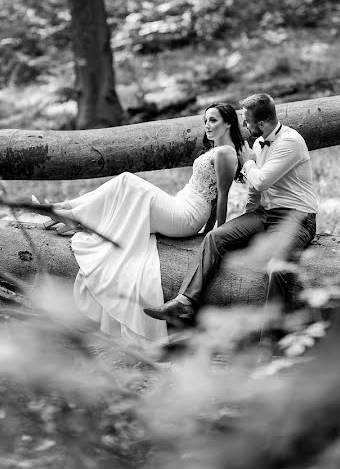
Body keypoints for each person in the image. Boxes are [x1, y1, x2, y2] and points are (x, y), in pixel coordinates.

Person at [42, 103, 245, 345]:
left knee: (129, 182)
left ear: (229, 123)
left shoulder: (226, 153)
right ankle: (69, 212)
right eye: (205, 121)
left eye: (212, 120)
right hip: (181, 204)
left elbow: (221, 197)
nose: (207, 126)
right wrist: (208, 228)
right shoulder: (220, 150)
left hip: (186, 216)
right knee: (125, 192)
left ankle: (68, 211)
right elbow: (214, 196)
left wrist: (212, 233)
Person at [143, 93, 319, 327]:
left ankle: (268, 344)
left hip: (296, 217)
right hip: (265, 214)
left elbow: (261, 181)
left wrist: (247, 161)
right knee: (215, 237)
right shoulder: (257, 144)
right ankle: (185, 301)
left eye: (246, 121)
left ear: (262, 124)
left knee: (277, 269)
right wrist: (245, 220)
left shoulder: (290, 142)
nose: (243, 126)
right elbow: (255, 193)